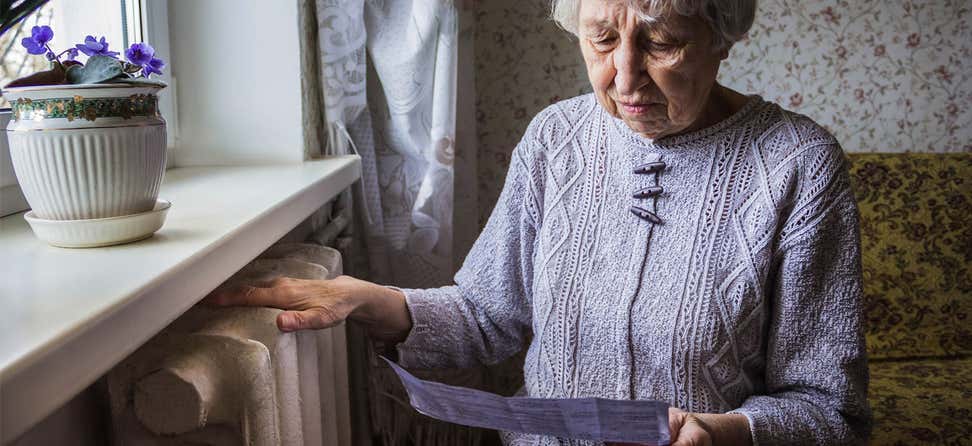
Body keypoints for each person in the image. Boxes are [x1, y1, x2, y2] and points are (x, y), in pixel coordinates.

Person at [209, 0, 872, 444]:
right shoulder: (555, 138)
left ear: (721, 36)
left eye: (663, 42)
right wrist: (372, 300)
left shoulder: (797, 165)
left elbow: (826, 406)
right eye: (602, 38)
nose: (625, 75)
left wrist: (725, 432)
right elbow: (488, 313)